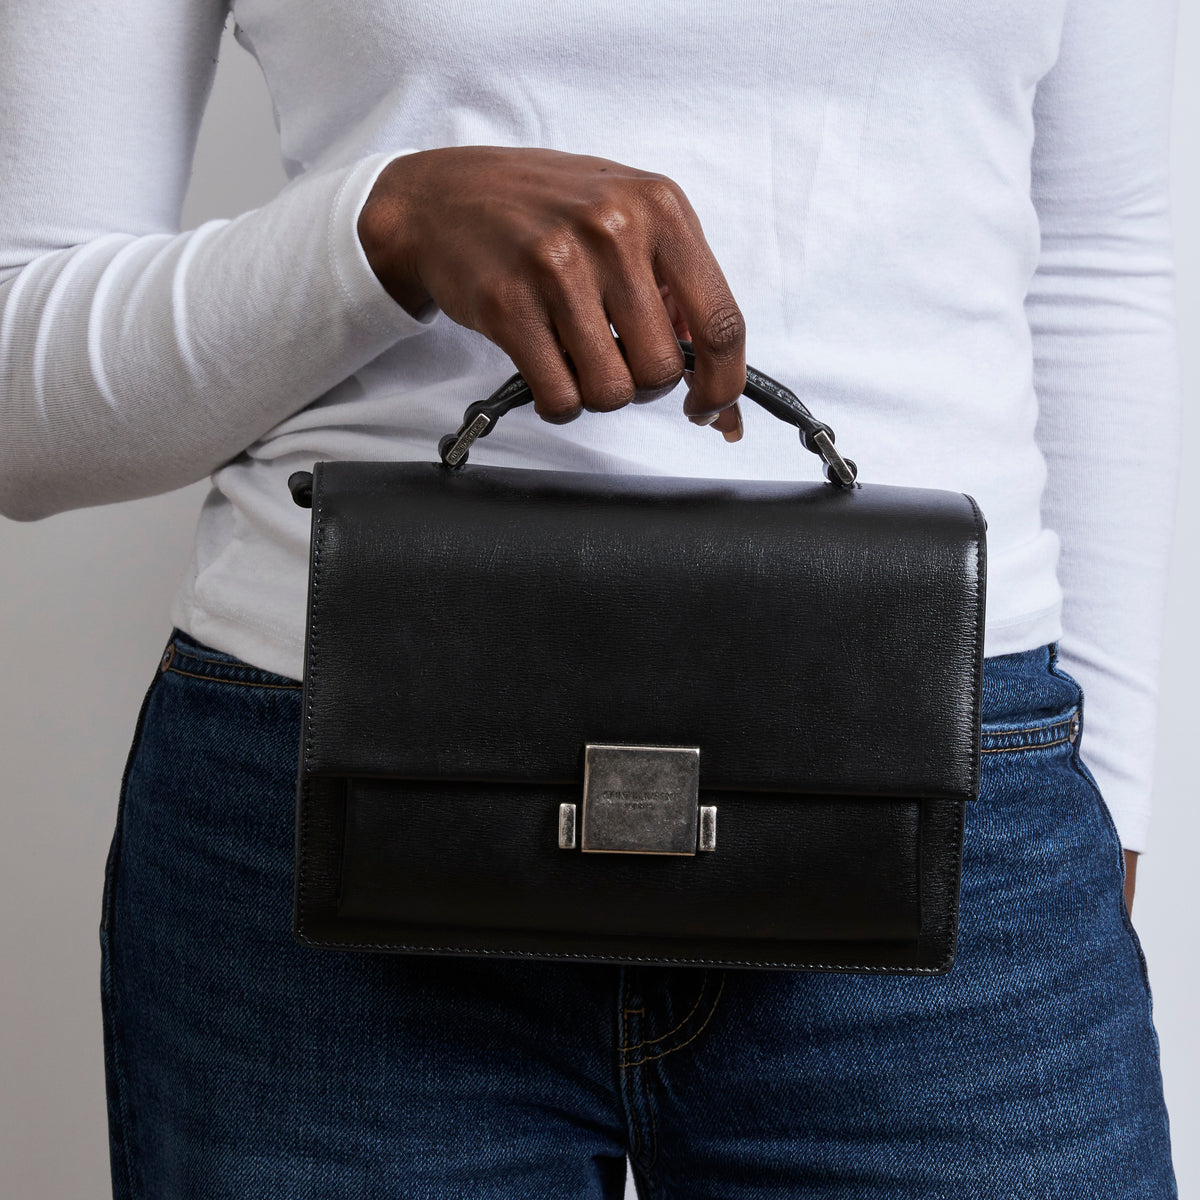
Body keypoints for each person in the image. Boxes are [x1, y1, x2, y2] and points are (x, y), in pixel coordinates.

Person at [0, 0, 1180, 1196]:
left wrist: (1110, 785)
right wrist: (384, 226)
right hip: (335, 798)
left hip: (947, 780)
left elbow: (1108, 256)